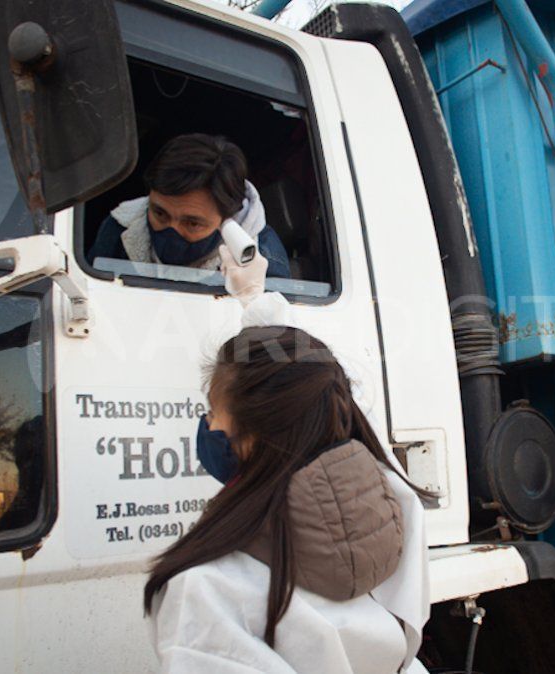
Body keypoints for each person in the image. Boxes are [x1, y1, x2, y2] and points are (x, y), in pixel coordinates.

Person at [143, 325, 433, 673]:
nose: (209, 424)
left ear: (252, 431)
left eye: (213, 410)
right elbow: (311, 385)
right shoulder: (398, 509)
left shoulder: (205, 587)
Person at [87, 133, 291, 278]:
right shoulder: (122, 227)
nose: (171, 230)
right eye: (160, 213)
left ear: (227, 218)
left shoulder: (261, 256)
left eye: (192, 223)